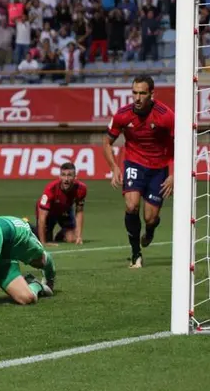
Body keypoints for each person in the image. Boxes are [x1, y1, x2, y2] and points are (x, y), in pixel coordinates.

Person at [102, 75, 174, 268]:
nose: (138, 98)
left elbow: (181, 144)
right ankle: (136, 254)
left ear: (152, 93)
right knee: (131, 206)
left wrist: (174, 174)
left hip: (159, 168)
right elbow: (106, 142)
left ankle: (150, 230)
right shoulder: (122, 115)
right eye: (135, 93)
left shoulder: (166, 115)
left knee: (150, 218)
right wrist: (114, 167)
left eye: (142, 93)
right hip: (134, 164)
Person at [27, 162, 87, 246]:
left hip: (65, 210)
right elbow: (42, 217)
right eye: (63, 175)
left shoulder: (81, 189)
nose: (66, 179)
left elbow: (79, 212)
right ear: (59, 176)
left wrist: (79, 237)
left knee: (72, 238)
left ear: (75, 177)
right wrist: (43, 242)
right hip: (49, 212)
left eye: (69, 175)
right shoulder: (50, 189)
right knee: (43, 237)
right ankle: (27, 225)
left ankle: (59, 236)